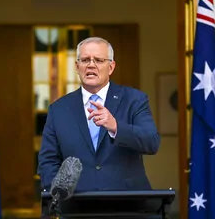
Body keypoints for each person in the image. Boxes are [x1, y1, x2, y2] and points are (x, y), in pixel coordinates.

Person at [37, 36, 160, 192]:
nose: (91, 65)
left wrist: (116, 127)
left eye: (99, 60)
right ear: (77, 66)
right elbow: (48, 161)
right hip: (77, 205)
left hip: (127, 203)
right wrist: (58, 195)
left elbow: (152, 142)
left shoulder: (134, 100)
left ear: (111, 67)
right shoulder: (59, 109)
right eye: (85, 60)